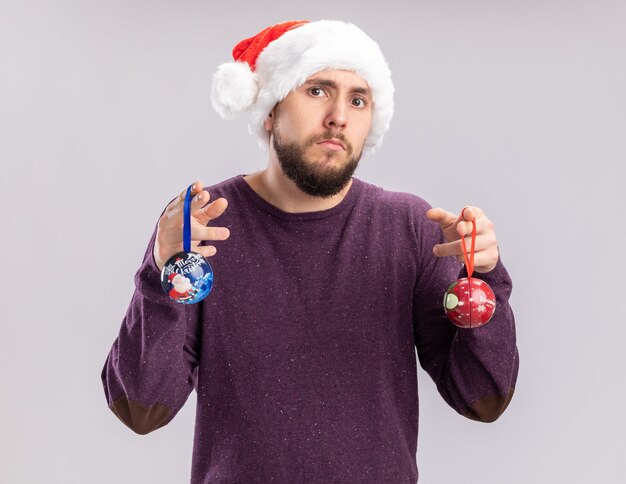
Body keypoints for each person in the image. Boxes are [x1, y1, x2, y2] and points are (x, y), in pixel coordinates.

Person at [101, 19, 519, 483]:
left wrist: (483, 281)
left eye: (358, 99)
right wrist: (161, 271)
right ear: (268, 109)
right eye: (317, 90)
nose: (339, 115)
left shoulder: (410, 229)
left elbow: (483, 397)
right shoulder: (203, 229)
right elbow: (140, 407)